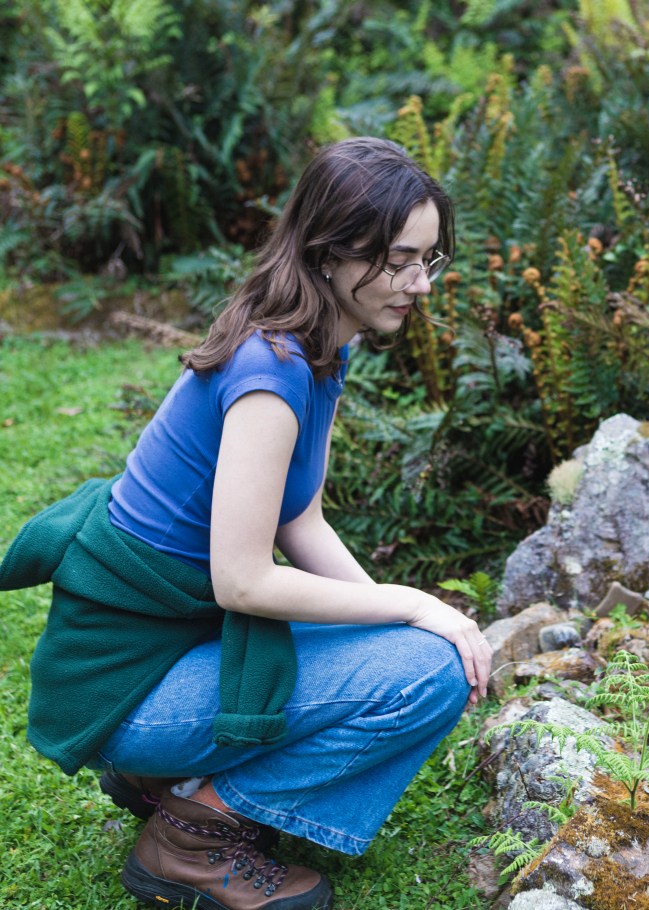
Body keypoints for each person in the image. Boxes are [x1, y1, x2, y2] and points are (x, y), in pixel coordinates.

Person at [0, 136, 493, 910]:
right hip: (126, 686)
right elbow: (242, 581)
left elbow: (300, 518)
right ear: (329, 251)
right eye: (398, 261)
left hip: (171, 651)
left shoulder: (317, 347)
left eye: (429, 259)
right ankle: (190, 837)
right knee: (430, 674)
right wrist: (412, 607)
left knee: (421, 652)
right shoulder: (273, 372)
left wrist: (401, 623)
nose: (420, 284)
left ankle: (166, 779)